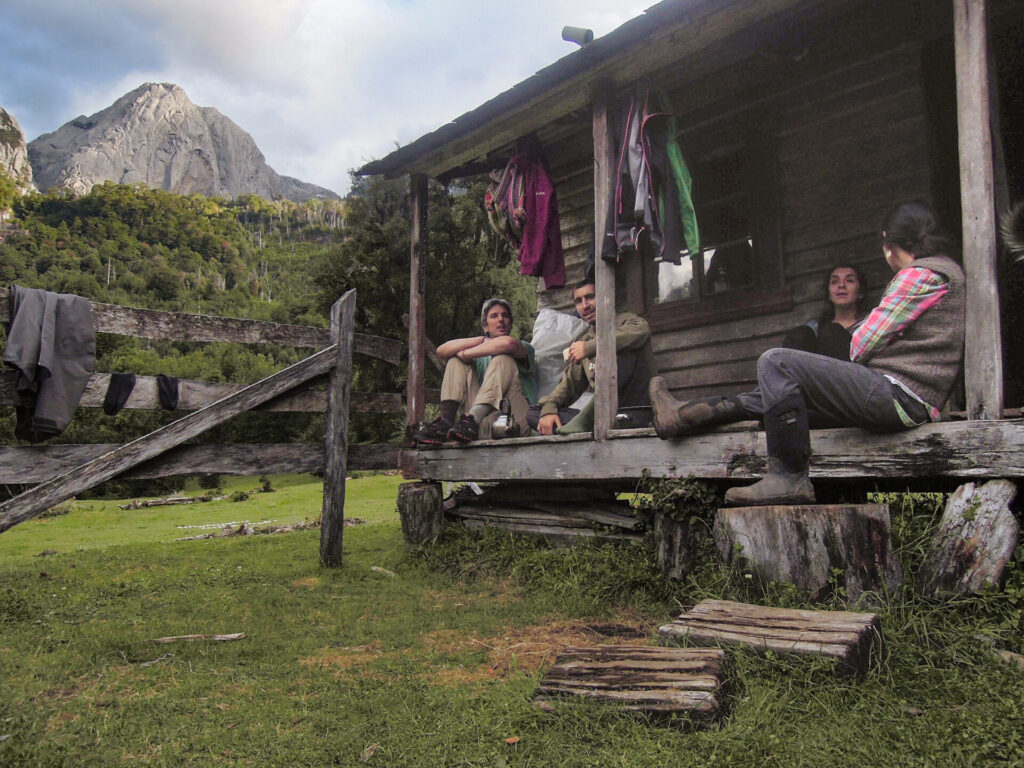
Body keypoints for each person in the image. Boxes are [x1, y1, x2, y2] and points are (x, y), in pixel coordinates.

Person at [650, 201, 965, 506]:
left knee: (777, 361)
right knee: (779, 396)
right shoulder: (945, 272)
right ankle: (682, 416)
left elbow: (860, 345)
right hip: (906, 398)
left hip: (897, 395)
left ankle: (789, 477)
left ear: (887, 242)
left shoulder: (919, 274)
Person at [527, 280, 657, 435]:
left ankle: (588, 421)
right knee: (534, 412)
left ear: (604, 297)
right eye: (578, 301)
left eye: (590, 297)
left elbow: (642, 330)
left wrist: (590, 348)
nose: (585, 305)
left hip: (635, 411)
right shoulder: (584, 340)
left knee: (621, 350)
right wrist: (549, 409)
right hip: (600, 414)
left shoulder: (627, 321)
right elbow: (568, 386)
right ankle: (589, 421)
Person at [412, 298, 538, 446]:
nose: (501, 320)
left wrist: (465, 354)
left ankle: (472, 419)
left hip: (515, 422)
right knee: (455, 361)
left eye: (505, 316)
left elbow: (508, 343)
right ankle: (446, 422)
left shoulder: (524, 347)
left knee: (503, 358)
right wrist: (482, 340)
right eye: (494, 316)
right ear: (485, 326)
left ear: (510, 323)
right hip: (483, 426)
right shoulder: (480, 353)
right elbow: (441, 351)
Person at [782, 264, 870, 361]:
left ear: (861, 293)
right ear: (828, 294)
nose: (841, 285)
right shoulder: (815, 327)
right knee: (800, 334)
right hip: (814, 374)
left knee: (832, 332)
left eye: (849, 280)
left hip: (854, 372)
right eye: (834, 282)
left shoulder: (870, 324)